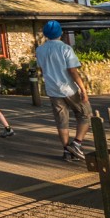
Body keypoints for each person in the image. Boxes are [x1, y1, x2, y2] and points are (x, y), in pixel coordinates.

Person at [35, 20, 91, 162]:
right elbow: (72, 71)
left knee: (61, 121)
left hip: (52, 89)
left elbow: (41, 68)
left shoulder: (40, 50)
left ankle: (66, 151)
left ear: (46, 34)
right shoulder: (65, 48)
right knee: (85, 114)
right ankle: (76, 144)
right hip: (69, 88)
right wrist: (83, 88)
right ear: (60, 33)